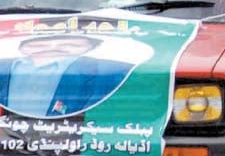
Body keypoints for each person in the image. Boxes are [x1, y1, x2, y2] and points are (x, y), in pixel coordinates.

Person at [0, 34, 134, 118]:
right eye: (38, 44)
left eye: (70, 45)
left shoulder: (109, 74)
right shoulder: (5, 68)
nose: (52, 48)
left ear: (89, 49)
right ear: (22, 48)